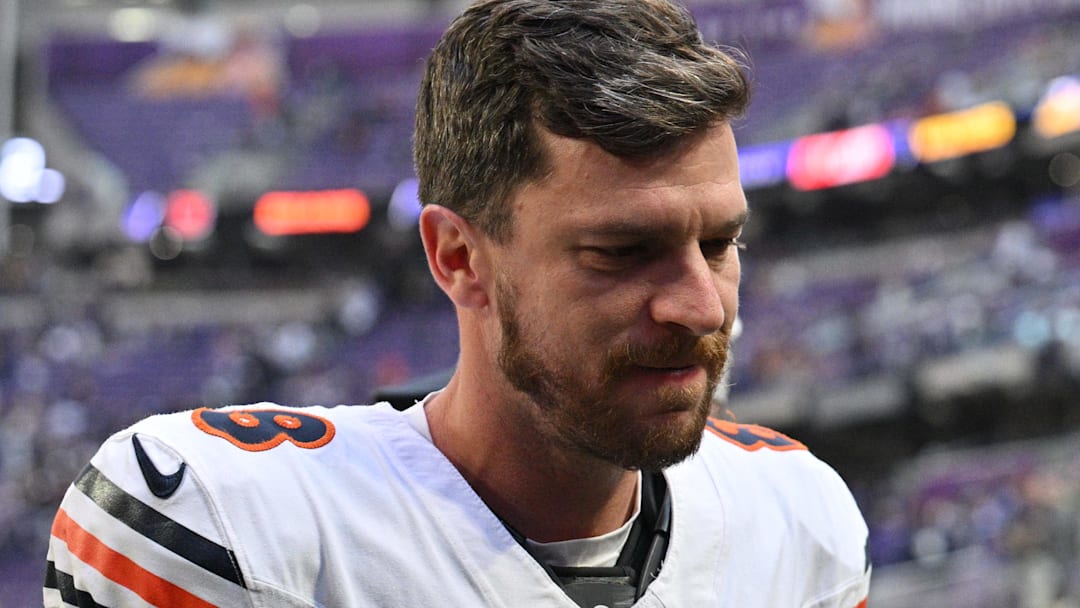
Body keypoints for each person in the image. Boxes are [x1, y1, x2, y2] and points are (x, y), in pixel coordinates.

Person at [44, 0, 872, 606]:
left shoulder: (799, 524)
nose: (700, 305)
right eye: (621, 252)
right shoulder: (226, 526)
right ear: (458, 257)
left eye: (720, 244)